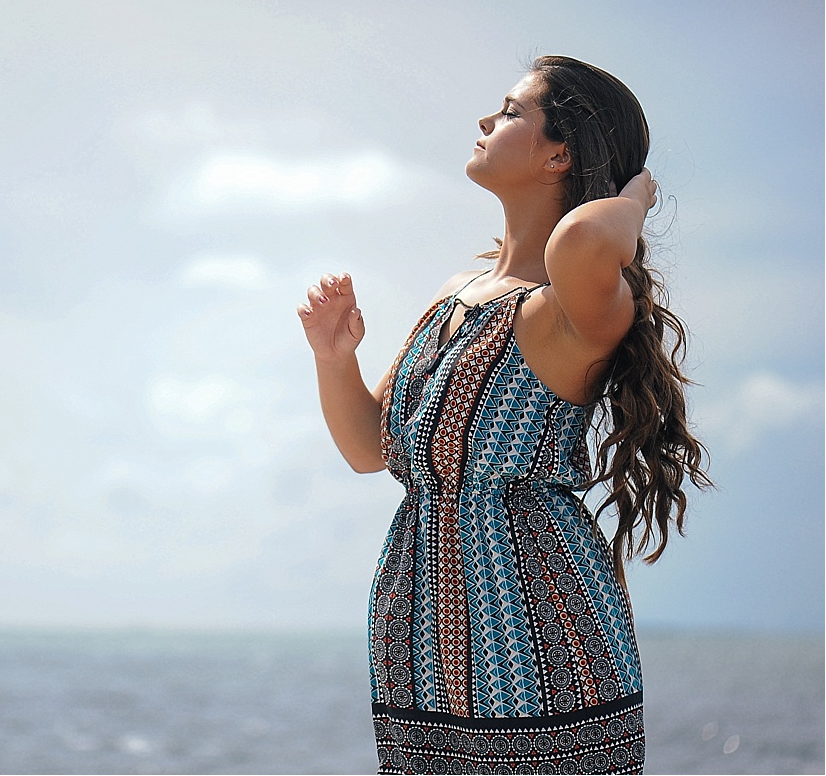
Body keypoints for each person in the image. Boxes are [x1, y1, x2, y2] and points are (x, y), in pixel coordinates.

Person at [297, 55, 711, 775]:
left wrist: (638, 195)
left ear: (560, 153)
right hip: (424, 648)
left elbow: (582, 240)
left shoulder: (568, 303)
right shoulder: (460, 292)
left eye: (513, 110)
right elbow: (372, 449)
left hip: (535, 646)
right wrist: (335, 359)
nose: (487, 121)